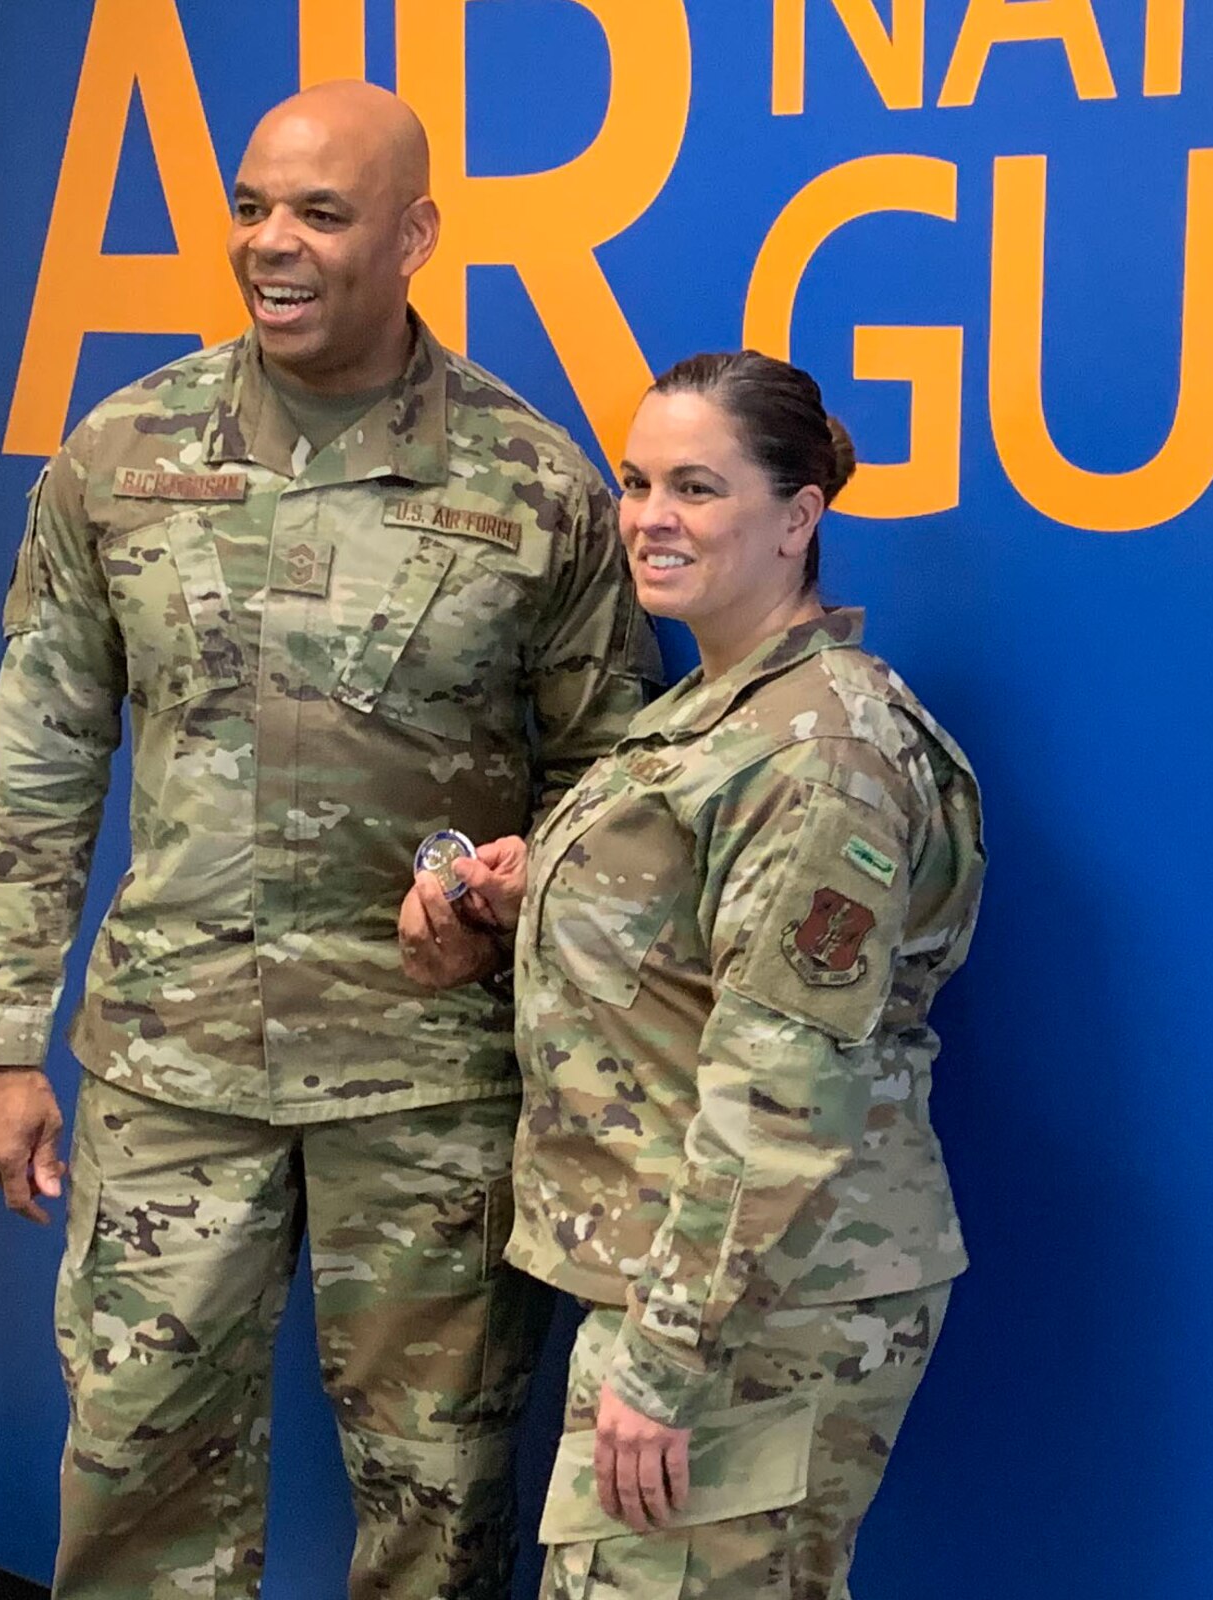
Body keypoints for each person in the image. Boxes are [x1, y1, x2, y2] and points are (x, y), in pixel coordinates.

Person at [0, 81, 661, 1600]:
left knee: (439, 1503)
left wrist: (511, 894)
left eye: (321, 214)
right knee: (136, 1479)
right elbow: (41, 759)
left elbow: (613, 785)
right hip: (172, 1070)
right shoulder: (122, 457)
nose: (272, 244)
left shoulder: (533, 485)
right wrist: (7, 1040)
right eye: (251, 207)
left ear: (413, 236)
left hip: (432, 1083)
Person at [404, 352, 985, 1597]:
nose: (648, 517)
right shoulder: (716, 711)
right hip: (692, 1284)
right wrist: (534, 898)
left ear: (796, 519)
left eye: (695, 488)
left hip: (751, 1312)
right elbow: (692, 953)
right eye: (634, 481)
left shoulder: (816, 752)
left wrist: (663, 1360)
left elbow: (779, 1089)